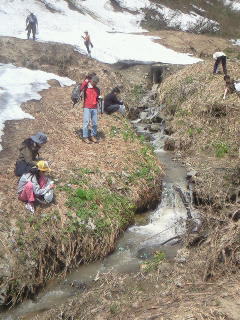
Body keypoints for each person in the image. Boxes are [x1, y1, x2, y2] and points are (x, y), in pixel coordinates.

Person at [82, 76, 100, 144]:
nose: (95, 83)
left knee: (95, 123)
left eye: (96, 82)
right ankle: (85, 136)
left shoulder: (97, 89)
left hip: (94, 107)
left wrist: (99, 99)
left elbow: (97, 98)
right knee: (86, 122)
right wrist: (86, 80)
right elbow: (81, 87)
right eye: (94, 82)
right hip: (87, 107)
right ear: (91, 80)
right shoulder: (86, 87)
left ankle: (93, 136)